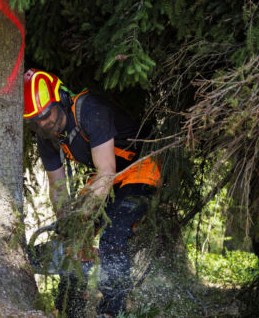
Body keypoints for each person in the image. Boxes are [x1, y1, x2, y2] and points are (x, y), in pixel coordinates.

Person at [23, 68, 161, 316]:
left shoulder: (90, 110)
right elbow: (57, 187)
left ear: (60, 99)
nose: (43, 123)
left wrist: (80, 220)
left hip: (138, 169)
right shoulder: (46, 136)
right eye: (35, 121)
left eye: (45, 114)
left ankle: (110, 310)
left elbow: (107, 170)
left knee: (113, 236)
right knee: (72, 239)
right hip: (105, 177)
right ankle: (69, 306)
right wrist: (68, 225)